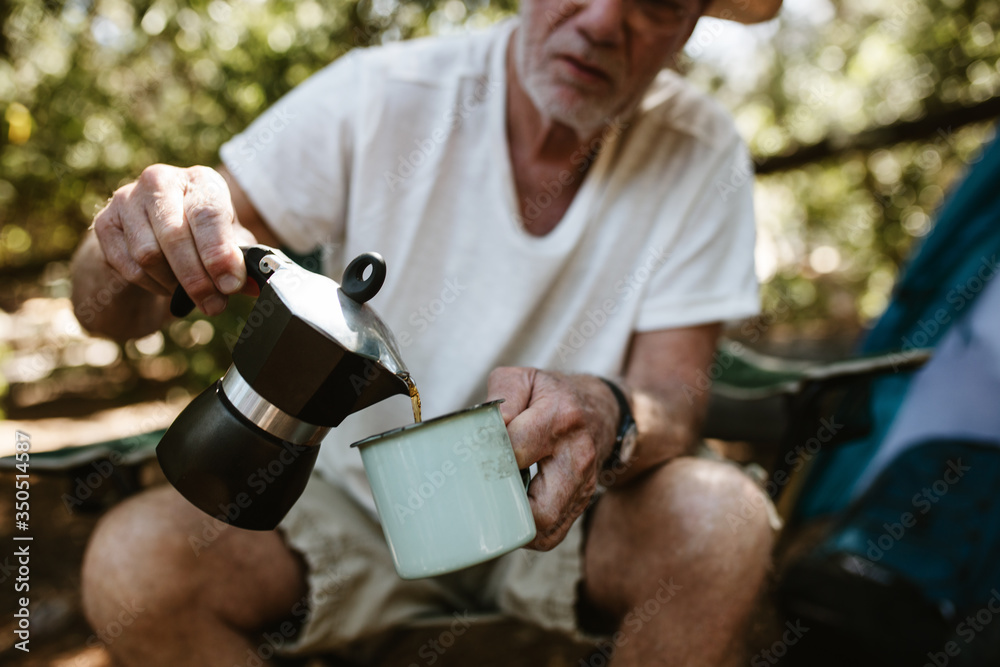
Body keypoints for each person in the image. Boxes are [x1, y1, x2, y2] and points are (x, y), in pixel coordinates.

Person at [73, 0, 782, 663]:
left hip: (573, 513)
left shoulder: (700, 149)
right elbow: (107, 312)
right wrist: (134, 241)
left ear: (690, 25)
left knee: (724, 523)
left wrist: (605, 410)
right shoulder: (381, 94)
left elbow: (672, 393)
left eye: (655, 0)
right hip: (348, 504)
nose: (600, 21)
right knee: (133, 565)